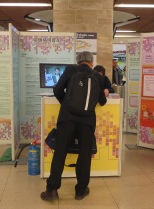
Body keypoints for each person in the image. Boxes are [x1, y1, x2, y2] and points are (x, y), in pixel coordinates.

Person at [40, 51, 108, 201]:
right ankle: (81, 190)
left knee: (60, 152)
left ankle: (51, 190)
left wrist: (66, 103)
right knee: (84, 155)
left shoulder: (70, 70)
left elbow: (57, 90)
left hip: (67, 119)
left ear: (78, 61)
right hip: (87, 121)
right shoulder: (97, 75)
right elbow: (102, 101)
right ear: (91, 62)